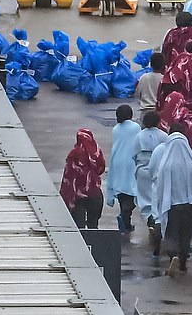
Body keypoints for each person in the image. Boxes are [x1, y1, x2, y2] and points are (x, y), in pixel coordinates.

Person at [148, 123, 192, 276]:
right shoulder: (191, 164)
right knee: (186, 234)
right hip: (188, 205)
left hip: (171, 206)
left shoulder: (166, 164)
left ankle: (173, 256)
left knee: (172, 233)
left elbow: (159, 185)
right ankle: (183, 262)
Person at [131, 110, 168, 257]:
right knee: (157, 198)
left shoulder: (139, 136)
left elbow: (133, 155)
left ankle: (150, 222)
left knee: (144, 199)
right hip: (158, 171)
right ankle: (157, 221)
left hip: (142, 171)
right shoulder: (164, 136)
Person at [60, 129, 106, 229]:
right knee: (93, 225)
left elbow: (69, 175)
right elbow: (101, 168)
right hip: (94, 193)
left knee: (80, 228)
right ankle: (94, 242)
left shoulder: (74, 154)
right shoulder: (96, 152)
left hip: (78, 196)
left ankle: (82, 243)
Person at [106, 104, 141, 232]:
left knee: (121, 192)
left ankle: (126, 223)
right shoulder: (136, 127)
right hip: (130, 162)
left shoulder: (116, 129)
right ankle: (124, 216)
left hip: (117, 161)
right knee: (132, 192)